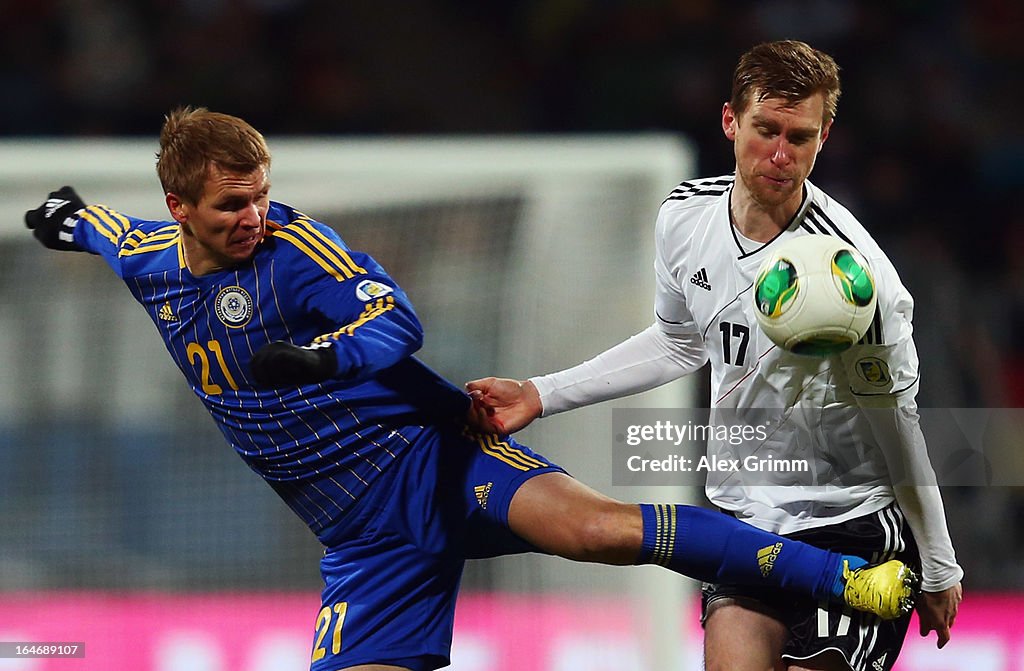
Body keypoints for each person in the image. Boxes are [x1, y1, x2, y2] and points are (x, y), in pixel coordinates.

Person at [25, 106, 917, 671]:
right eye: (229, 206)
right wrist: (66, 218)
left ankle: (854, 582)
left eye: (259, 195)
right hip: (360, 536)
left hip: (425, 454)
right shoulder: (148, 256)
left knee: (597, 529)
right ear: (179, 207)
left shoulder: (294, 252)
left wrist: (321, 357)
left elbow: (395, 325)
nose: (252, 216)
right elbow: (105, 228)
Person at [466, 40, 963, 671]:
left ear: (824, 137)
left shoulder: (860, 280)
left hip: (851, 527)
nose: (781, 155)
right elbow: (679, 339)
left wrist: (940, 564)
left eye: (800, 137)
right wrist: (542, 393)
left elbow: (898, 424)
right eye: (766, 130)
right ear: (731, 121)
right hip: (746, 525)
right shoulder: (684, 217)